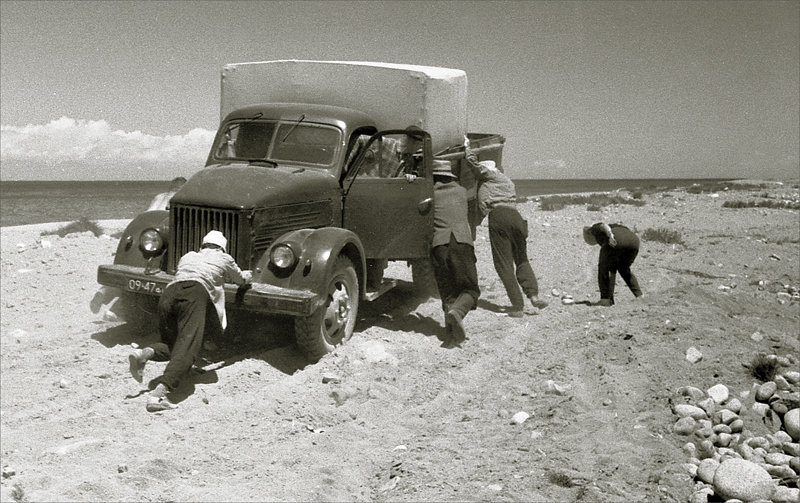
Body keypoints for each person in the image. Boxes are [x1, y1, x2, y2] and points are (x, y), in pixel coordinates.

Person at [128, 230, 252, 412]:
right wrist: (247, 277)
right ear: (222, 248)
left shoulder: (188, 256)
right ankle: (158, 395)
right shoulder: (225, 259)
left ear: (203, 245)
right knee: (188, 349)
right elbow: (240, 280)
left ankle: (144, 353)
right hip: (193, 295)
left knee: (175, 344)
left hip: (168, 295)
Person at [463, 137, 548, 317]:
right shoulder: (507, 180)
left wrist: (467, 147)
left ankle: (517, 306)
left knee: (503, 264)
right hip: (516, 217)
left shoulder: (489, 175)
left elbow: (473, 164)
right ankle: (533, 295)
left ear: (488, 169)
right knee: (522, 258)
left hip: (499, 217)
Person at [430, 159, 480, 347]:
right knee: (471, 290)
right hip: (461, 242)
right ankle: (457, 314)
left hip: (439, 245)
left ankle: (450, 335)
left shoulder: (431, 194)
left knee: (448, 293)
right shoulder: (460, 192)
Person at [582, 222, 643, 306]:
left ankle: (605, 299)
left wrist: (610, 236)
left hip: (615, 239)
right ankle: (640, 296)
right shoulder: (618, 226)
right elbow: (612, 271)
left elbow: (603, 225)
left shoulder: (594, 229)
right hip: (634, 241)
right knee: (623, 268)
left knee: (603, 267)